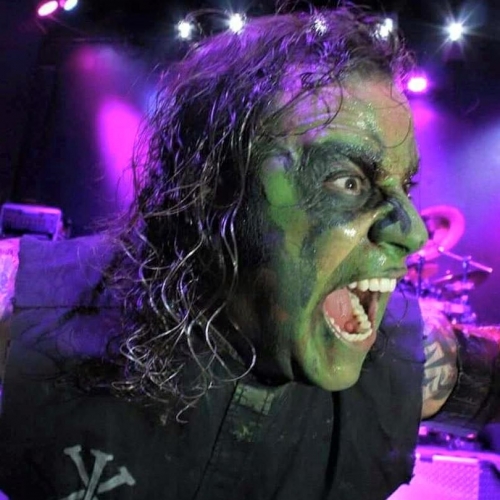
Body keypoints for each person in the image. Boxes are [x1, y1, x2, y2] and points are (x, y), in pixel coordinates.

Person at [0, 5, 499, 499]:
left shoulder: (401, 361)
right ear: (210, 188)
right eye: (348, 181)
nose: (414, 233)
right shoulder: (31, 313)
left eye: (406, 187)